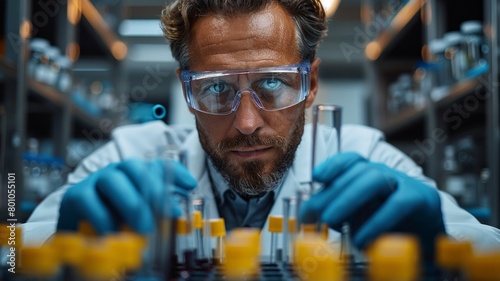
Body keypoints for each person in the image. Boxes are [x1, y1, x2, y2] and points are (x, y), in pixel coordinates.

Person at [24, 0, 500, 262]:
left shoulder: (363, 154)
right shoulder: (133, 153)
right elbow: (9, 250)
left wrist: (445, 257)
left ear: (310, 83)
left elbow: (488, 252)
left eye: (273, 85)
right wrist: (52, 252)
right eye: (215, 90)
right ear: (185, 90)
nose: (247, 123)